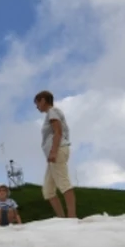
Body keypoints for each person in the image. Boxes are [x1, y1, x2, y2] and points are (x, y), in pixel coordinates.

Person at [34, 90, 76, 218]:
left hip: (57, 150)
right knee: (48, 190)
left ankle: (72, 217)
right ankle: (62, 219)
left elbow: (58, 132)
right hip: (53, 154)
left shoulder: (52, 112)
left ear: (43, 100)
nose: (37, 107)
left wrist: (53, 151)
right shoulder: (51, 114)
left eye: (37, 103)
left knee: (63, 183)